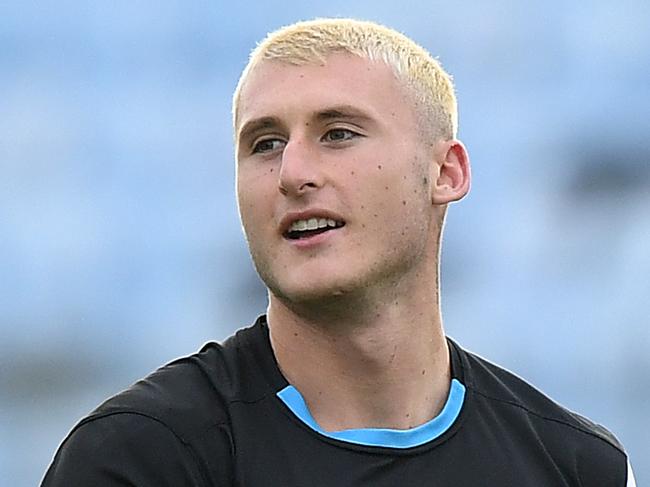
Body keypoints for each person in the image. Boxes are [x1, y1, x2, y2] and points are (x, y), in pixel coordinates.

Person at [42, 18, 636, 486]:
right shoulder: (140, 458)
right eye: (264, 143)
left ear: (445, 172)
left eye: (338, 134)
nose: (292, 173)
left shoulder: (578, 468)